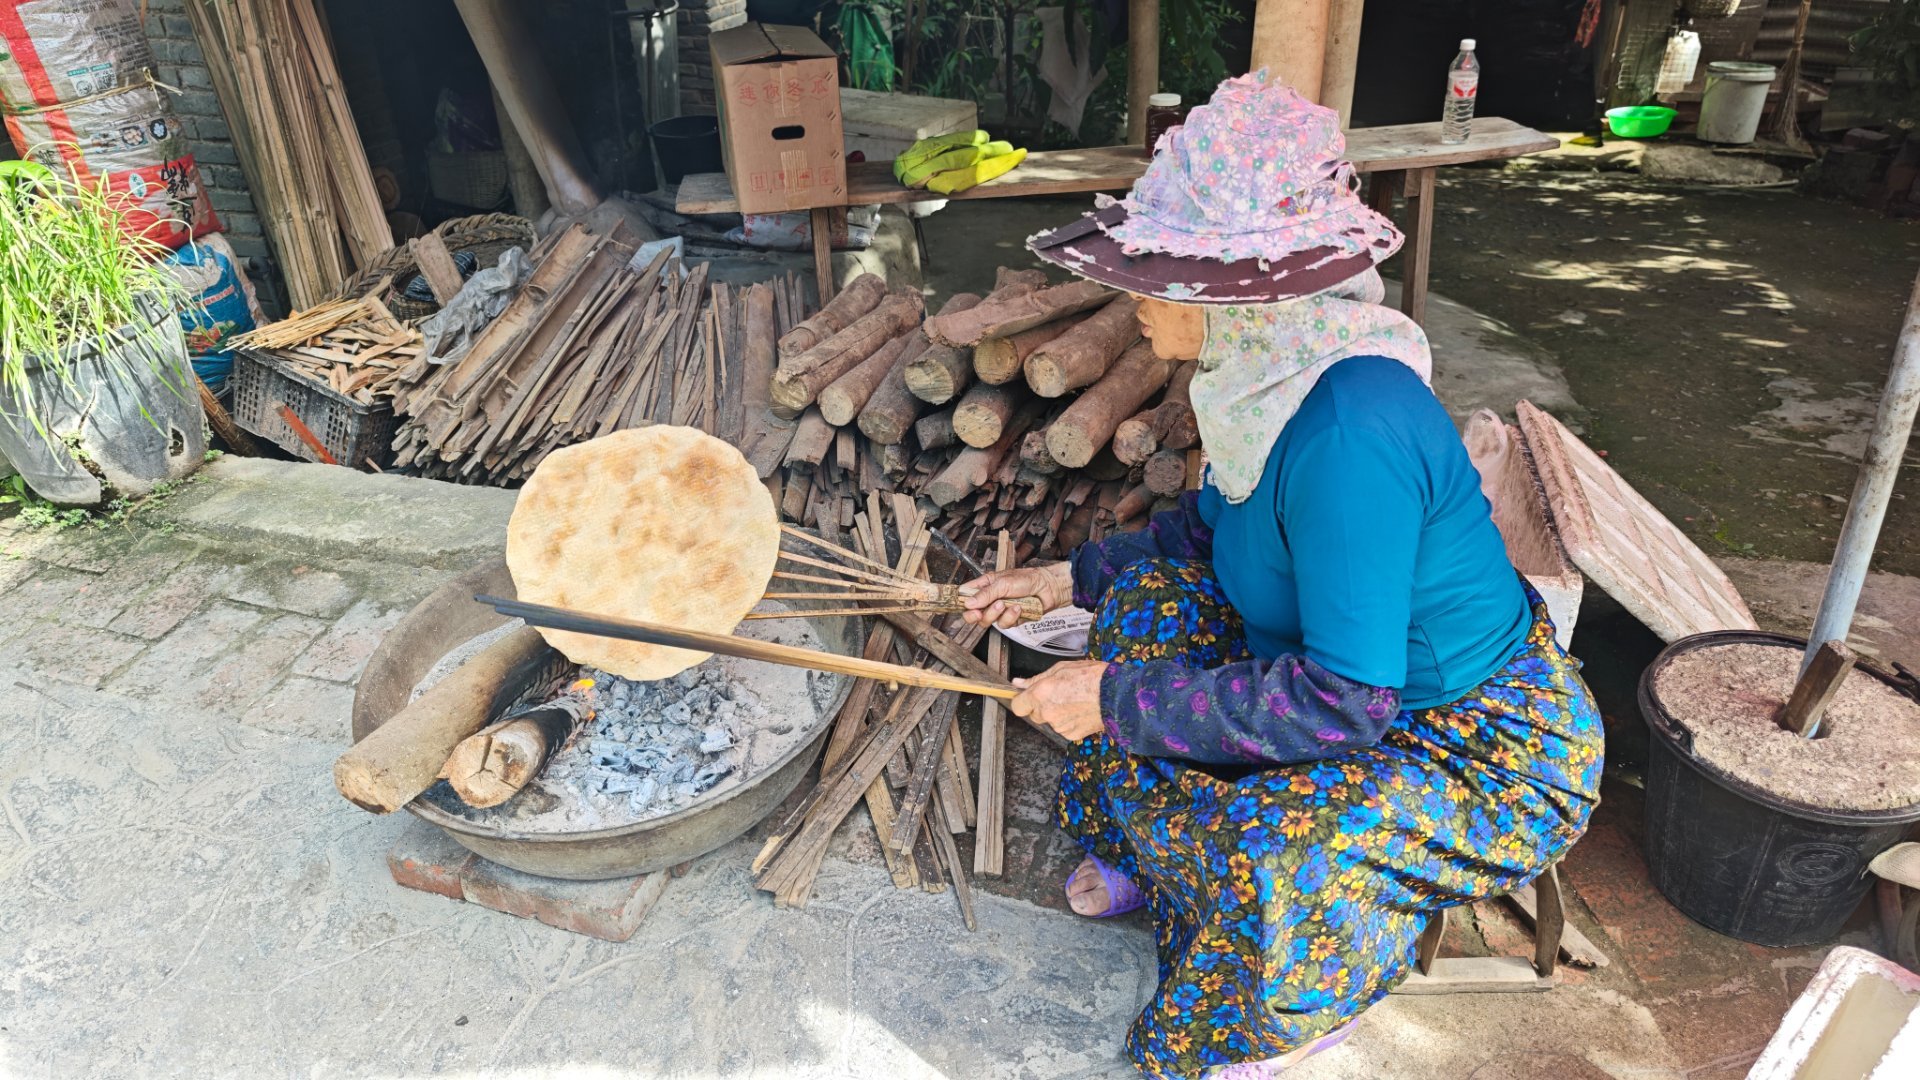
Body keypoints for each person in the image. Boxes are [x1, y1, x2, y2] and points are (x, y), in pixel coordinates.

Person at [960, 73, 1605, 1080]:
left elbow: (1349, 699)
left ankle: (1291, 1007)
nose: (1134, 300)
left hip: (1470, 740)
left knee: (1272, 845)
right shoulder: (1263, 382)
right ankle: (1162, 868)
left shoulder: (1350, 432)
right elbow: (1207, 531)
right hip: (1326, 670)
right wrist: (1066, 580)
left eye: (1156, 273)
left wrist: (1118, 701)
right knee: (1142, 611)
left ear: (1237, 294)